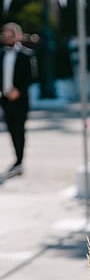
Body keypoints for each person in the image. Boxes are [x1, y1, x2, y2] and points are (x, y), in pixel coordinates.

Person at [0, 22, 37, 178]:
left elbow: (31, 76)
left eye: (11, 34)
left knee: (19, 129)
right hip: (5, 99)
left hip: (21, 99)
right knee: (10, 129)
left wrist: (19, 91)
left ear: (18, 35)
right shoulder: (1, 54)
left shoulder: (26, 55)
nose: (8, 37)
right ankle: (17, 158)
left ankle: (19, 160)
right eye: (5, 34)